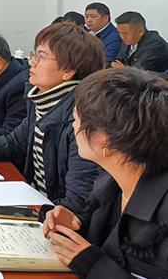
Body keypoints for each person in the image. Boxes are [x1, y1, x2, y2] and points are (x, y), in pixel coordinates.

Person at [0, 24, 105, 213]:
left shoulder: (81, 118)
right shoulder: (41, 100)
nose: (31, 62)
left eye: (41, 57)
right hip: (36, 200)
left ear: (68, 70)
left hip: (51, 213)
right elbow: (14, 141)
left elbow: (77, 202)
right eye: (34, 55)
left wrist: (34, 215)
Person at [43, 68, 168, 277]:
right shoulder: (110, 182)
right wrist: (76, 225)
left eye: (76, 120)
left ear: (105, 140)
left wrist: (93, 264)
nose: (73, 127)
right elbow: (109, 237)